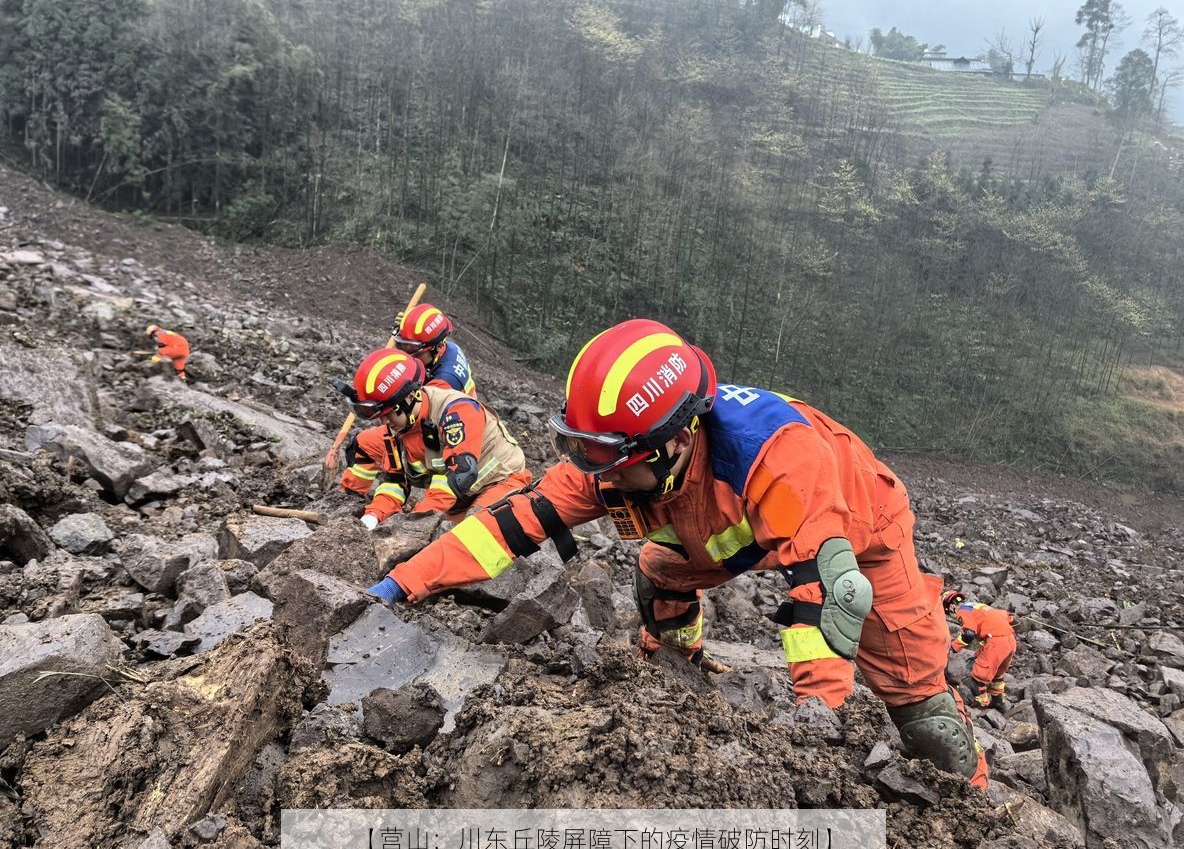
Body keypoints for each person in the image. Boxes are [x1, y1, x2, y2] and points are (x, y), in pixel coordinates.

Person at [366, 319, 988, 789]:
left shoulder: (781, 459)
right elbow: (507, 528)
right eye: (584, 451)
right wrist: (402, 585)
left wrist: (811, 736)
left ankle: (976, 802)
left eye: (611, 460)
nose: (596, 475)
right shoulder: (617, 458)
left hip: (857, 533)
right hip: (721, 526)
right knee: (659, 575)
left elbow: (825, 597)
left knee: (920, 704)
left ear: (675, 440)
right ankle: (677, 665)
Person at [338, 347, 530, 531]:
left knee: (472, 536)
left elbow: (461, 475)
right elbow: (394, 483)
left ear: (410, 397)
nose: (384, 421)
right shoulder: (396, 429)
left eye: (389, 414)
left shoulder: (457, 412)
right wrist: (372, 516)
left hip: (502, 482)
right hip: (461, 498)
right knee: (437, 542)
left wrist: (413, 522)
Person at [943, 589, 1017, 712]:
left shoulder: (963, 611)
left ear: (951, 606)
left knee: (977, 679)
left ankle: (982, 706)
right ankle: (998, 702)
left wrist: (953, 647)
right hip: (1010, 641)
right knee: (997, 675)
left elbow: (969, 634)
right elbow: (1010, 618)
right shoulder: (978, 607)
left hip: (996, 643)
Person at [393, 303, 476, 396]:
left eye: (413, 349)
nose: (405, 355)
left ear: (438, 346)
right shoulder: (446, 347)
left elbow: (415, 406)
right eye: (403, 345)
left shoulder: (443, 382)